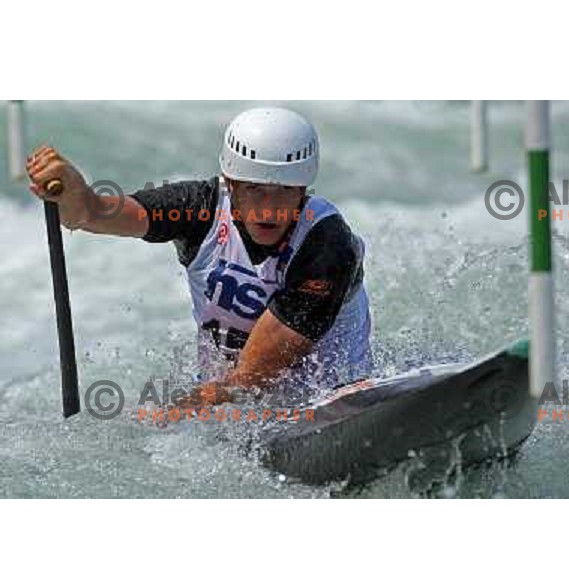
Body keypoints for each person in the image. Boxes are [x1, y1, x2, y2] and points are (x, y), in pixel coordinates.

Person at [26, 106, 372, 406]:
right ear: (230, 182)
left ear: (303, 189)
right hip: (227, 402)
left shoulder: (326, 244)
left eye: (283, 192)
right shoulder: (197, 208)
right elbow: (93, 215)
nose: (269, 210)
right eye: (254, 189)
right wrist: (75, 193)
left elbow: (255, 374)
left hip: (328, 398)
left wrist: (188, 406)